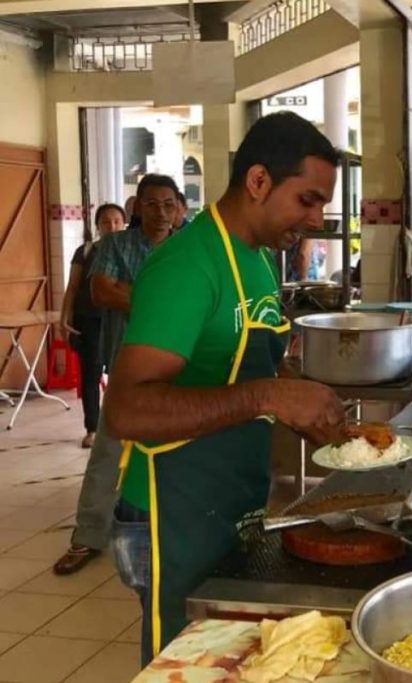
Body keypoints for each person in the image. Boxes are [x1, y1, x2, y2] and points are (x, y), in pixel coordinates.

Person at [102, 112, 348, 664]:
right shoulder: (188, 265)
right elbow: (125, 408)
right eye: (307, 199)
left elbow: (241, 368)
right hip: (169, 515)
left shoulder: (258, 260)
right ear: (258, 181)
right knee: (185, 668)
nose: (316, 217)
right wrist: (268, 396)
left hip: (227, 503)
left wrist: (302, 403)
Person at [51, 175, 180, 577]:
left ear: (178, 209)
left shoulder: (187, 250)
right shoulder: (115, 245)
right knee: (108, 451)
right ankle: (87, 535)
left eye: (168, 204)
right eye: (152, 204)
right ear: (138, 207)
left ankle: (174, 532)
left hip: (181, 367)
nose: (161, 212)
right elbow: (103, 292)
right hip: (128, 368)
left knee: (179, 451)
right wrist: (164, 301)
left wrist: (135, 293)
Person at [57, 203, 126, 449]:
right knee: (91, 374)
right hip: (90, 321)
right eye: (106, 222)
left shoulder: (128, 251)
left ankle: (121, 424)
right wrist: (64, 317)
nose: (112, 226)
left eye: (117, 221)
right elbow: (73, 287)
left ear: (124, 223)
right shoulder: (85, 252)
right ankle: (92, 428)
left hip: (120, 319)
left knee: (121, 372)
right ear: (97, 226)